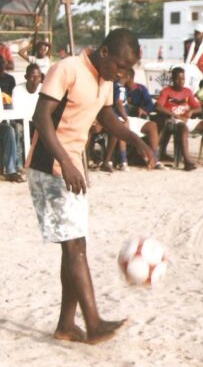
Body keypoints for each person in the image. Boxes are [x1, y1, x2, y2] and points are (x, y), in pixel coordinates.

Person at [26, 28, 156, 345]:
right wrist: (66, 163)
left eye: (129, 69)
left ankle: (66, 325)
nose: (124, 74)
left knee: (74, 247)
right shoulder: (67, 69)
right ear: (104, 52)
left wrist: (136, 139)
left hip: (72, 167)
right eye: (121, 66)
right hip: (49, 167)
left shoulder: (106, 78)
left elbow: (107, 116)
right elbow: (41, 118)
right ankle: (93, 323)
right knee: (74, 247)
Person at [156, 67, 203, 171]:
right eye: (178, 79)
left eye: (183, 79)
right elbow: (158, 107)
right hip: (173, 120)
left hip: (187, 119)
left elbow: (199, 108)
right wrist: (175, 115)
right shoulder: (166, 91)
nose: (181, 81)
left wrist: (191, 111)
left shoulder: (187, 91)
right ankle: (187, 161)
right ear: (172, 79)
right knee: (182, 127)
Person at [101, 68, 165, 172]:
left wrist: (142, 110)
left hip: (131, 117)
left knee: (152, 125)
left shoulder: (140, 89)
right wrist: (126, 117)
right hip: (119, 117)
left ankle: (155, 159)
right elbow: (118, 104)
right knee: (123, 125)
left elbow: (150, 106)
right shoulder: (118, 87)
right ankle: (123, 161)